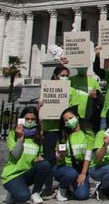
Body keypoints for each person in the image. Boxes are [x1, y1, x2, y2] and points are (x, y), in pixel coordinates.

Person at [2, 107, 52, 204]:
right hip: (13, 175)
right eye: (27, 119)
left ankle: (35, 193)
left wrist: (39, 158)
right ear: (21, 120)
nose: (30, 121)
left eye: (33, 119)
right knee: (23, 196)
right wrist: (20, 139)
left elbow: (38, 157)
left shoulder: (37, 137)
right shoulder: (13, 134)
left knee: (45, 165)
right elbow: (16, 155)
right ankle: (13, 191)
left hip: (27, 173)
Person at [38, 65, 68, 197]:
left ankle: (65, 185)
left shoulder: (69, 90)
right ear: (55, 76)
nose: (65, 78)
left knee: (64, 156)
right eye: (62, 75)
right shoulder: (47, 89)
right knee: (49, 158)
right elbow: (40, 111)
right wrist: (40, 106)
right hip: (50, 129)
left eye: (67, 76)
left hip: (64, 129)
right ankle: (48, 186)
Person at [52, 108, 93, 201]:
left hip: (80, 169)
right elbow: (58, 157)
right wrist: (61, 155)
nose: (68, 121)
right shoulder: (63, 135)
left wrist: (83, 173)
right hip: (65, 169)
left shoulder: (88, 134)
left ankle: (72, 186)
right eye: (65, 120)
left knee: (82, 196)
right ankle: (62, 190)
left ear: (77, 117)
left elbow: (88, 155)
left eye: (70, 118)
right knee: (71, 173)